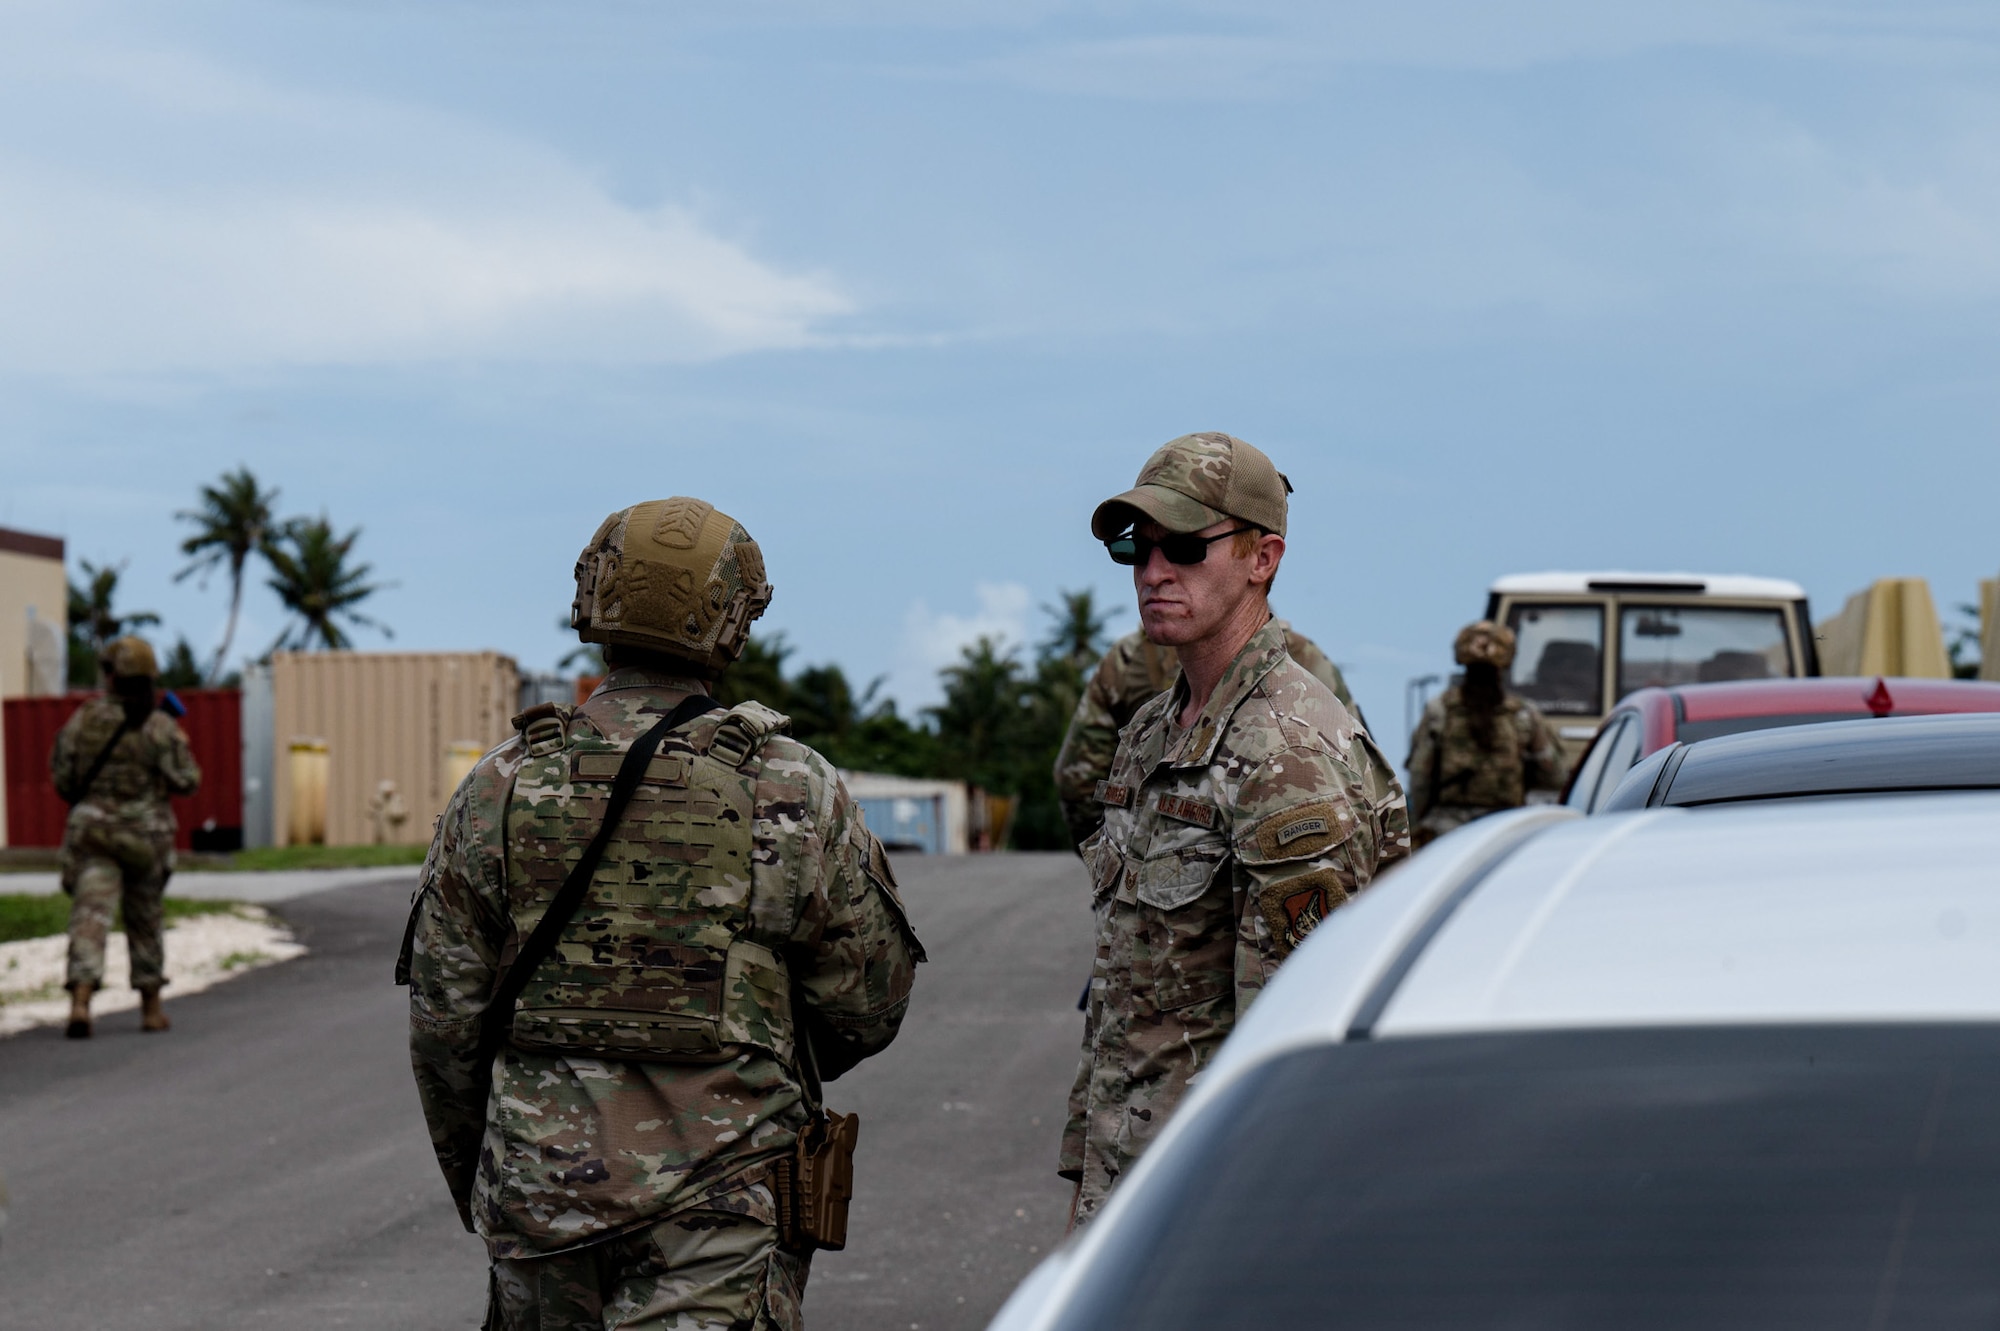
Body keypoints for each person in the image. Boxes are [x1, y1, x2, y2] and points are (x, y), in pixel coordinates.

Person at [401, 496, 924, 1331]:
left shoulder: (501, 784)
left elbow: (445, 1021)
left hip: (541, 1215)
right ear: (731, 619)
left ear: (595, 599)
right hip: (721, 1213)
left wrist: (495, 1182)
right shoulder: (789, 784)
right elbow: (868, 1007)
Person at [1061, 433, 1410, 1228]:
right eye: (1135, 548)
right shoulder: (1154, 730)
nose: (1153, 572)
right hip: (1134, 1177)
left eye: (1184, 546)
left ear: (1264, 558)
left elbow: (1293, 1038)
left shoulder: (1287, 755)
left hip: (1222, 1192)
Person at [1052, 622, 1365, 849]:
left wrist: (1121, 859)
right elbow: (1360, 781)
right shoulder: (1304, 656)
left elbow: (1077, 777)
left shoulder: (1128, 658)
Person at [51, 635, 200, 1039]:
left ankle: (81, 1000)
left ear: (111, 676)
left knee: (90, 916)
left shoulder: (83, 720)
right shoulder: (159, 726)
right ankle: (151, 1009)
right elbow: (187, 781)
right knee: (145, 918)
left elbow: (64, 780)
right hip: (144, 838)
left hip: (94, 834)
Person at [1405, 620, 1568, 848]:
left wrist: (1422, 825)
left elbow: (1420, 777)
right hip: (1504, 831)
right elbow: (1555, 776)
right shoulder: (1523, 714)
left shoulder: (1439, 710)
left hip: (1447, 834)